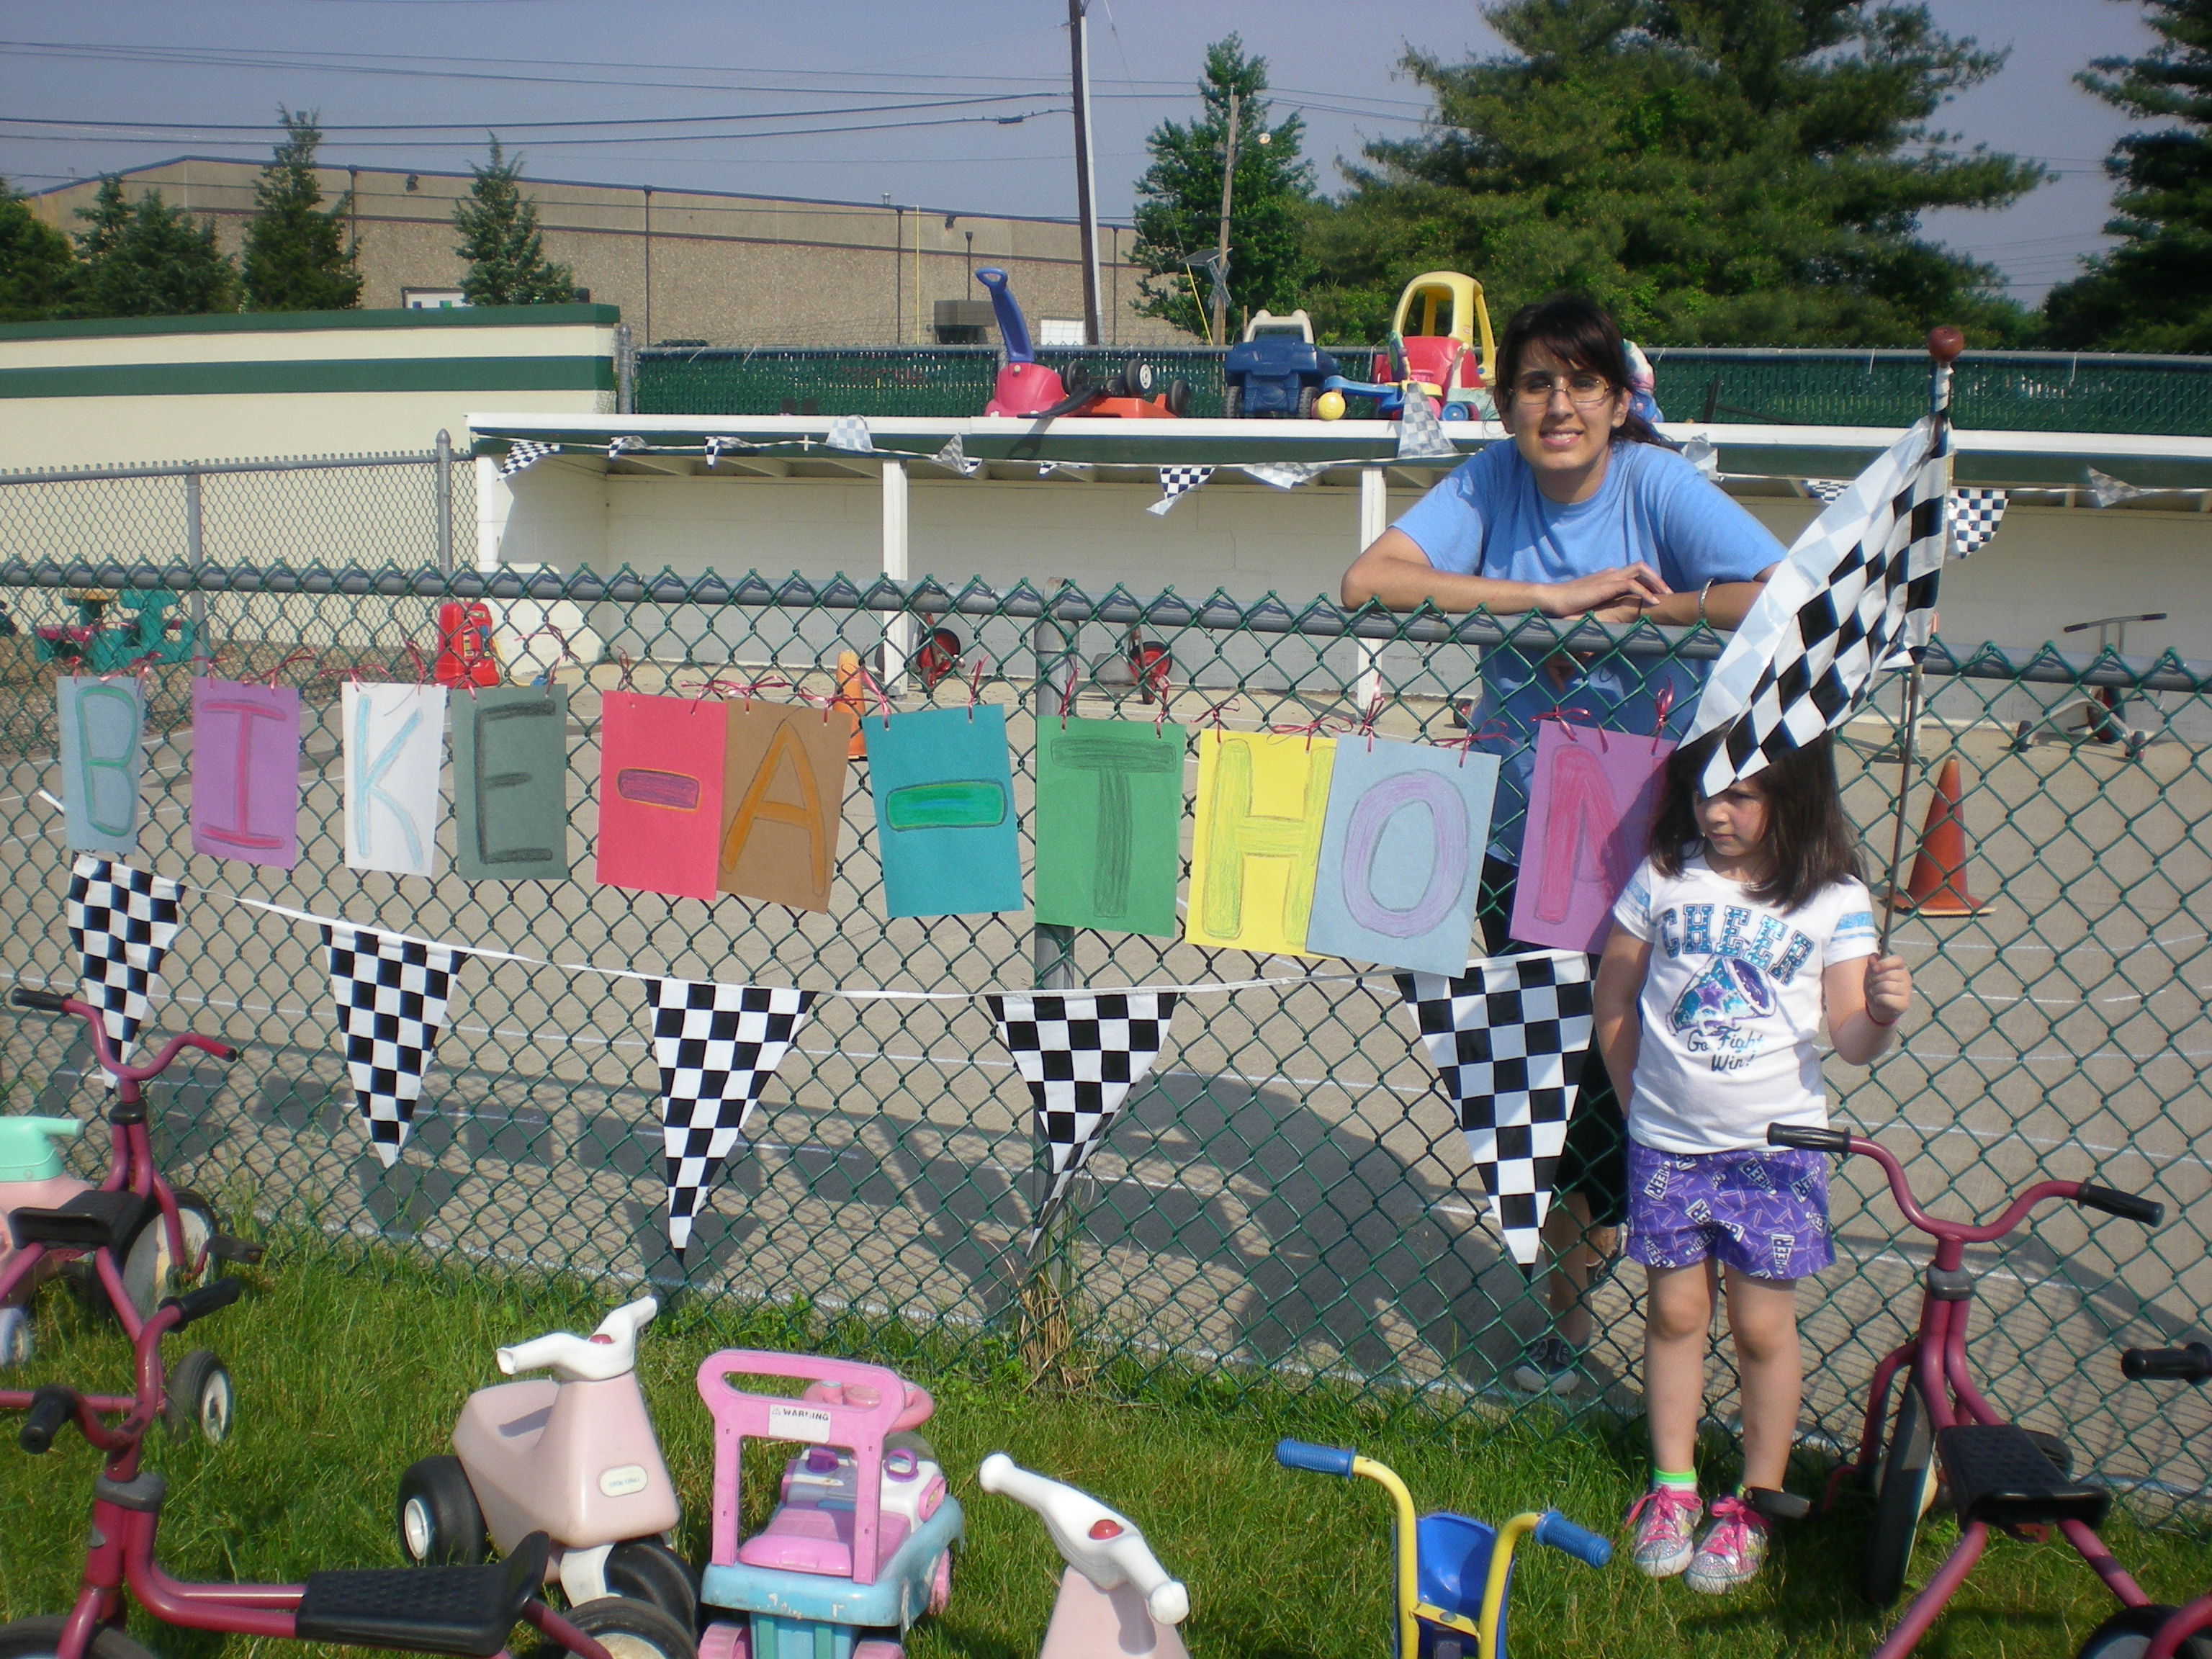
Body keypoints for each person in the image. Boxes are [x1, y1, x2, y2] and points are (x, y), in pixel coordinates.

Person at [1341, 293, 1786, 1395]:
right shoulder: (1490, 485)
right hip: (1520, 842)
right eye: (1537, 383)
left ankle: (1692, 1322)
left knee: (1657, 1083)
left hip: (1647, 849)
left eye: (1583, 383)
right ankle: (1567, 1313)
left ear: (1620, 400)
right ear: (1506, 403)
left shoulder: (1657, 483)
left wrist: (1673, 611)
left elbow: (1790, 591)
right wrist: (1549, 599)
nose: (1559, 405)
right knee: (1549, 1084)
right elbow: (1368, 584)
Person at [1596, 732, 1912, 1593]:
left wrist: (1880, 1012)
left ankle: (1754, 1502)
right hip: (1669, 1149)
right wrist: (1640, 1110)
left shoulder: (1832, 896)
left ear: (1795, 793)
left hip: (1776, 1158)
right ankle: (1671, 1489)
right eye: (1705, 793)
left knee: (1763, 1330)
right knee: (1674, 1314)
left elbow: (1850, 1040)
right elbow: (1615, 995)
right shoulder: (1665, 874)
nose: (1716, 812)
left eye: (1740, 794)